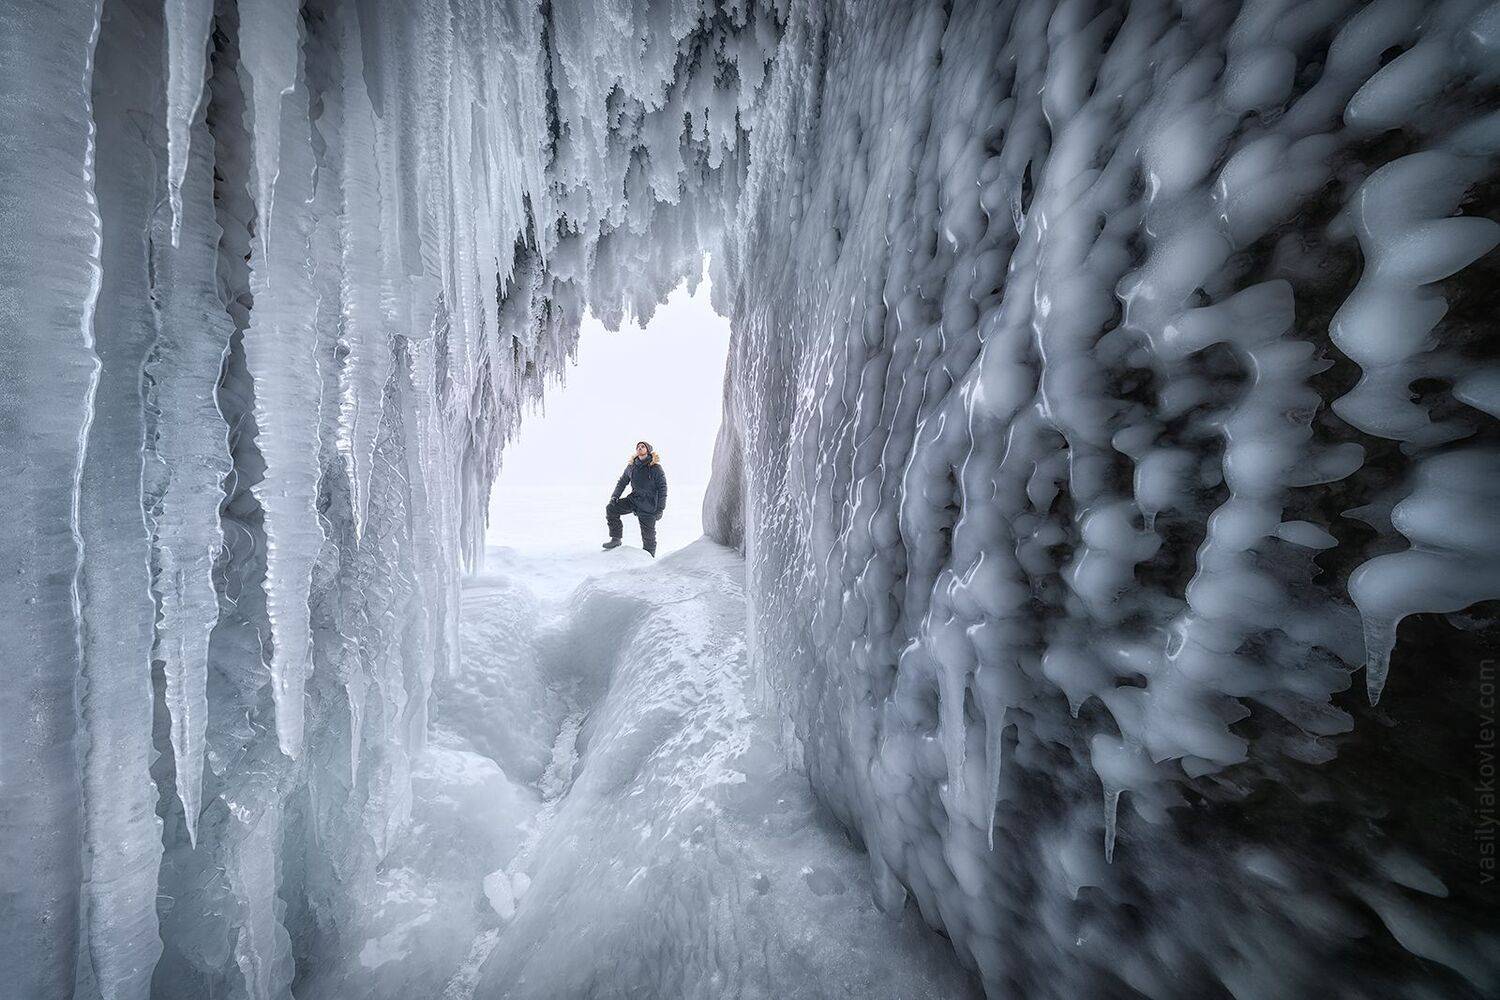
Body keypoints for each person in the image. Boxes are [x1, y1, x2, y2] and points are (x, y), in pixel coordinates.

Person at [604, 441, 667, 556]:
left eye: (642, 446)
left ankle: (649, 558)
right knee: (611, 508)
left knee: (649, 538)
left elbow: (663, 489)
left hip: (648, 505)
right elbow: (622, 482)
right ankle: (616, 539)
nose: (639, 448)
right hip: (634, 500)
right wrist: (615, 496)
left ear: (648, 450)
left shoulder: (655, 468)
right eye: (638, 447)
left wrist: (660, 509)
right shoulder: (631, 467)